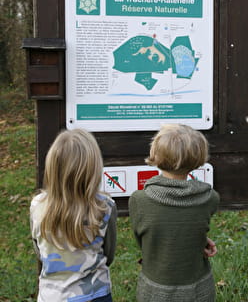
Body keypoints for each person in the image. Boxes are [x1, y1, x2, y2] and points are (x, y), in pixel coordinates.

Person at [129, 123, 220, 302]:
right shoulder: (210, 198)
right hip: (198, 290)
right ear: (198, 156)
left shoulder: (139, 200)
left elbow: (145, 240)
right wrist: (198, 241)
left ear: (155, 153)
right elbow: (190, 223)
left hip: (154, 291)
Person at [30, 129, 117, 302]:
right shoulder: (105, 207)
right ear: (93, 167)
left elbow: (39, 250)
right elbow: (109, 253)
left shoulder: (37, 206)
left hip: (52, 296)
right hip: (95, 294)